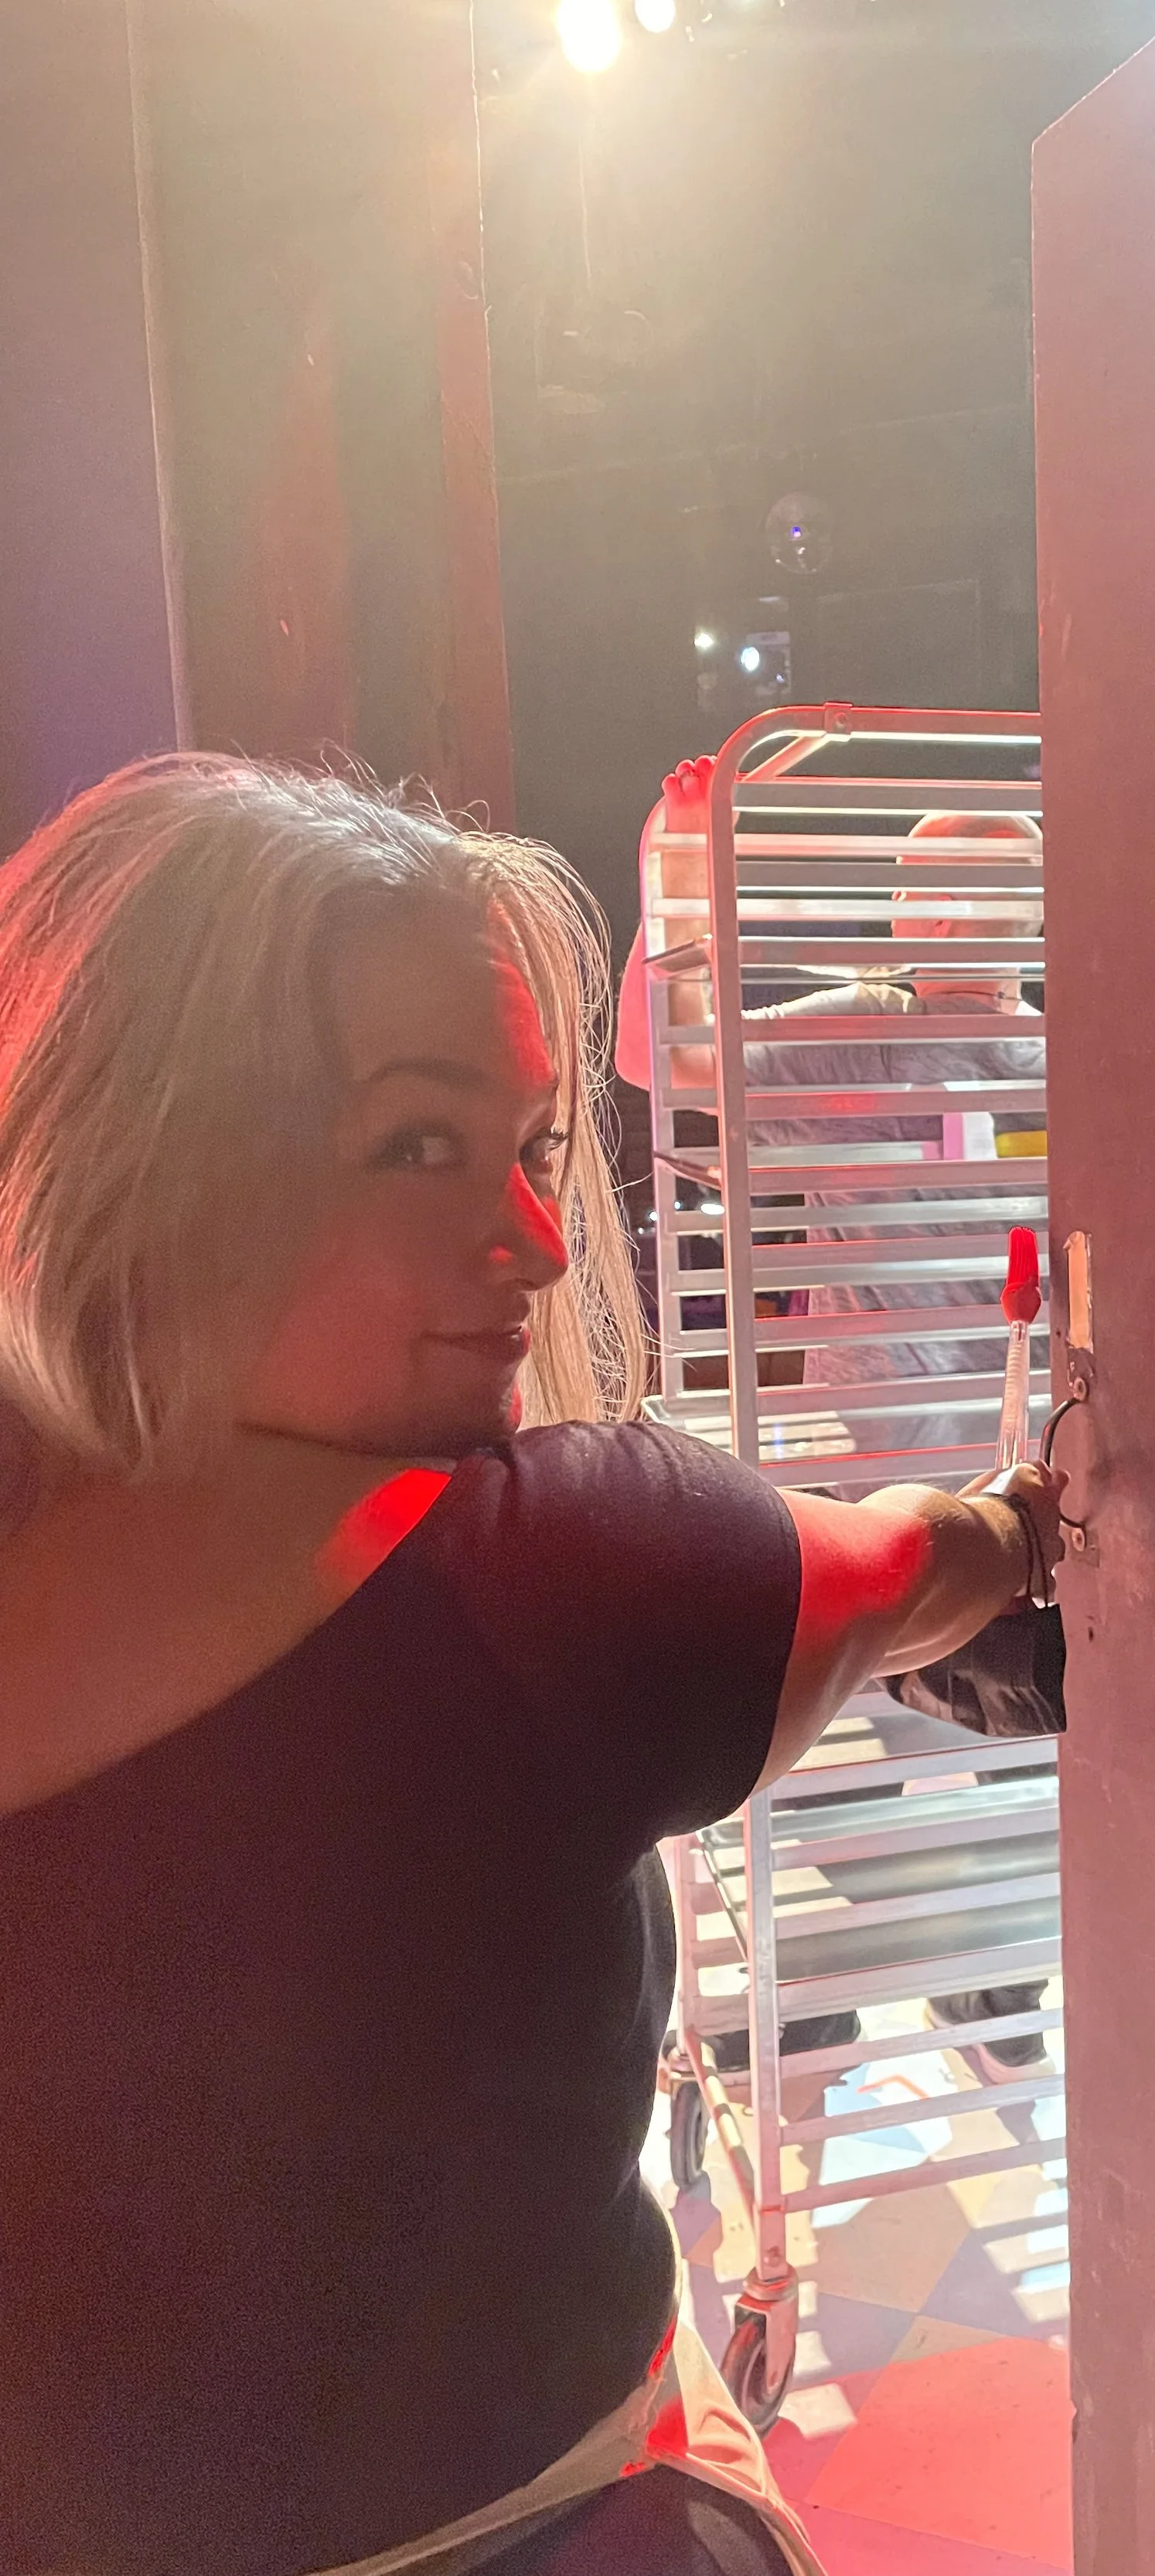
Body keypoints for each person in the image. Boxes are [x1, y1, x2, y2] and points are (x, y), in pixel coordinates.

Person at [0, 754, 1065, 2576]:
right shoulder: (557, 1573)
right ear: (148, 1148)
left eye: (532, 1145)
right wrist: (1042, 1516)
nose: (541, 1240)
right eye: (417, 1144)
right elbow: (923, 1566)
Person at [616, 761, 1053, 2083]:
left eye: (998, 888)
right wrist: (678, 881)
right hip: (858, 1472)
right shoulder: (849, 1033)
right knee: (816, 1751)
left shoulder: (1067, 1053)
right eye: (945, 890)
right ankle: (813, 1993)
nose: (971, 918)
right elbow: (658, 1061)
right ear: (906, 910)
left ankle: (982, 1977)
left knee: (1011, 1763)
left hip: (1014, 1479)